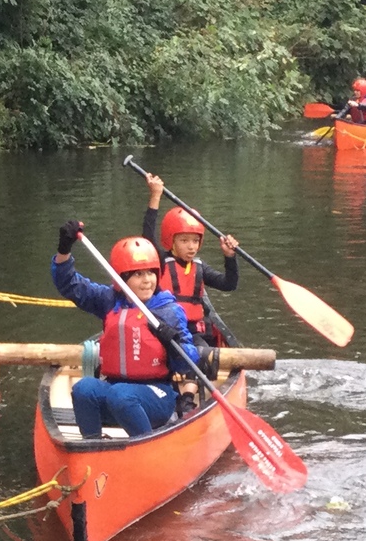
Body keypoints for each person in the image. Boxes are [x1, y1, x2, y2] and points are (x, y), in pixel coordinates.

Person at [49, 222, 200, 438]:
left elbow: (188, 362)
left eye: (150, 273)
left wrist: (172, 344)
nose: (147, 280)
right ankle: (93, 447)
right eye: (138, 274)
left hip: (157, 396)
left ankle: (146, 447)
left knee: (122, 395)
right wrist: (64, 250)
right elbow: (70, 285)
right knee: (84, 389)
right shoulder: (110, 300)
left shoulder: (168, 310)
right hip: (115, 392)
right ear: (121, 279)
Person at [141, 172, 239, 346]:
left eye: (195, 240)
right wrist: (155, 196)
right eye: (184, 240)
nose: (191, 246)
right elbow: (147, 237)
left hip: (193, 334)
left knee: (203, 352)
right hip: (164, 332)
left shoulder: (200, 268)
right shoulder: (161, 262)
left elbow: (229, 284)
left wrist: (230, 257)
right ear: (170, 240)